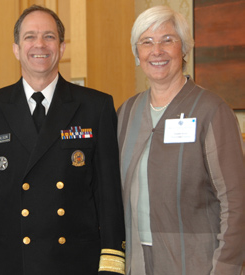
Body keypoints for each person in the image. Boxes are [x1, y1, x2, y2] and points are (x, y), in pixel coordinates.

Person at [0, 5, 125, 275]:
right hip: (10, 261)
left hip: (75, 261)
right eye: (30, 37)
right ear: (16, 48)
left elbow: (108, 192)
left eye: (49, 36)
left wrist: (111, 260)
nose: (39, 44)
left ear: (62, 47)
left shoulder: (95, 106)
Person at [117, 5, 245, 275]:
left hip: (198, 263)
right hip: (136, 262)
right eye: (147, 42)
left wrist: (225, 268)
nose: (157, 51)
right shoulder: (126, 113)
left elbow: (236, 203)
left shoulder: (212, 110)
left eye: (167, 40)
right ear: (137, 54)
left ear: (184, 49)